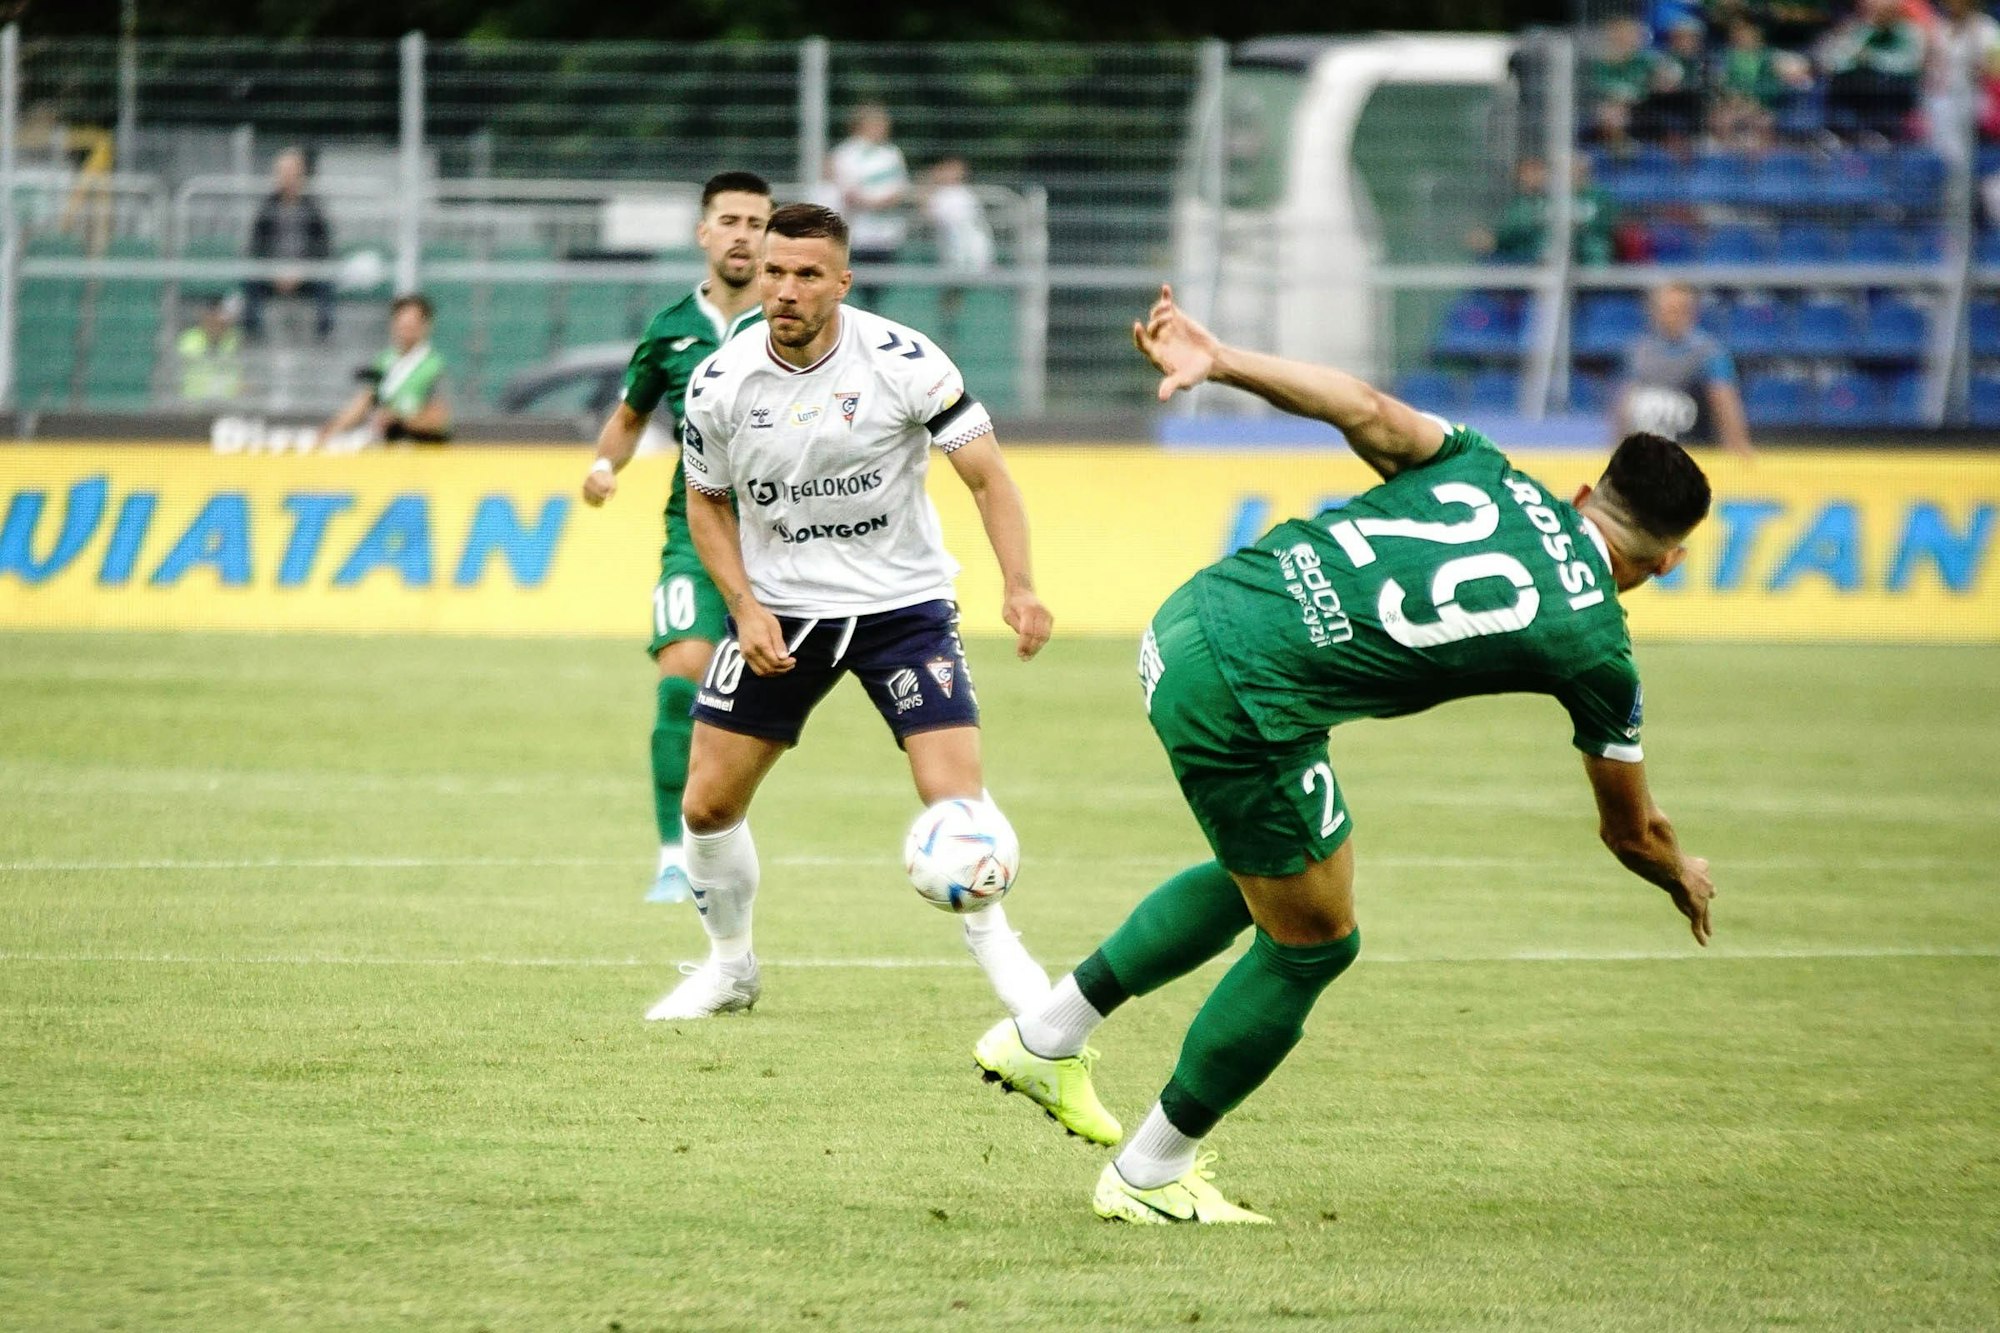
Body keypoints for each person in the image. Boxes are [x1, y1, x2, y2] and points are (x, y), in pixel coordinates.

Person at [973, 285, 1717, 1225]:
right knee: (1316, 939)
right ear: (1667, 562)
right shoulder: (1599, 646)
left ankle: (1045, 1037)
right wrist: (1679, 870)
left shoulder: (1490, 469)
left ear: (1580, 493)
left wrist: (1224, 359)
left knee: (1277, 876)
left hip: (1196, 613)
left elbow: (1359, 406)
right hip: (1250, 693)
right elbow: (1631, 829)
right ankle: (1150, 1173)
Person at [650, 202, 1055, 1023]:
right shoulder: (719, 382)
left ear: (842, 280)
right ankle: (730, 968)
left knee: (955, 798)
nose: (786, 289)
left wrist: (1019, 583)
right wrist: (745, 604)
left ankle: (1005, 955)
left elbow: (988, 476)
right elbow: (706, 505)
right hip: (783, 611)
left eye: (806, 274)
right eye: (774, 271)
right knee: (706, 806)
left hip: (899, 605)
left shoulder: (906, 362)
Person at [580, 171, 773, 904]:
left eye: (756, 222)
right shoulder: (669, 329)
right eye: (729, 220)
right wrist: (604, 465)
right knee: (681, 678)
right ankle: (673, 855)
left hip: (788, 534)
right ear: (704, 233)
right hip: (695, 526)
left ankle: (722, 833)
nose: (742, 234)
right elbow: (630, 417)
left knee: (758, 717)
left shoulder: (794, 321)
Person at [1617, 282, 1754, 458]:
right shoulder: (1638, 351)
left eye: (1680, 310)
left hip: (1694, 449)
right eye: (1668, 309)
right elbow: (1624, 404)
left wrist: (1738, 446)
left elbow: (1724, 400)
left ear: (1692, 313)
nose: (1674, 316)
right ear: (1654, 311)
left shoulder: (1709, 353)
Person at [316, 294, 450, 446]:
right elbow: (364, 401)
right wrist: (331, 430)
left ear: (426, 325)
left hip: (423, 449)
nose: (405, 330)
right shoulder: (385, 360)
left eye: (411, 324)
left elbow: (440, 419)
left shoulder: (435, 366)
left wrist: (398, 419)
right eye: (402, 324)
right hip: (388, 448)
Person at [243, 148, 335, 342]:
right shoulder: (267, 206)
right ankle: (253, 336)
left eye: (292, 172)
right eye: (283, 172)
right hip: (271, 273)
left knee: (326, 282)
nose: (288, 178)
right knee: (249, 280)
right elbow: (256, 245)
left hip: (307, 272)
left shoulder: (314, 207)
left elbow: (323, 246)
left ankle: (324, 337)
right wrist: (274, 270)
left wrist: (301, 270)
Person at [826, 104, 910, 309]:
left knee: (876, 293)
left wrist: (883, 201)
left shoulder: (891, 154)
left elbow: (900, 189)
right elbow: (848, 193)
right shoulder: (846, 154)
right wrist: (874, 202)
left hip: (886, 236)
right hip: (857, 235)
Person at [1820, 0, 1928, 141]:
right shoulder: (1866, 31)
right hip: (1865, 85)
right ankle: (1838, 133)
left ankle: (1882, 132)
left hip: (1896, 87)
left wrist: (1873, 59)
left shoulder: (1910, 32)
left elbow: (1910, 64)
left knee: (1878, 82)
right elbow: (1843, 58)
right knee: (1839, 81)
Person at [922, 156, 995, 342]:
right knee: (952, 299)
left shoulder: (956, 195)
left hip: (965, 257)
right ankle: (949, 338)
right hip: (959, 257)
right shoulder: (951, 194)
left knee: (955, 300)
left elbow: (929, 214)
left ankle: (950, 339)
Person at [176, 295, 244, 404]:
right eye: (212, 318)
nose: (216, 323)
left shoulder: (235, 339)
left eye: (219, 320)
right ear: (205, 318)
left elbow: (243, 370)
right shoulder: (189, 338)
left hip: (228, 402)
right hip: (195, 401)